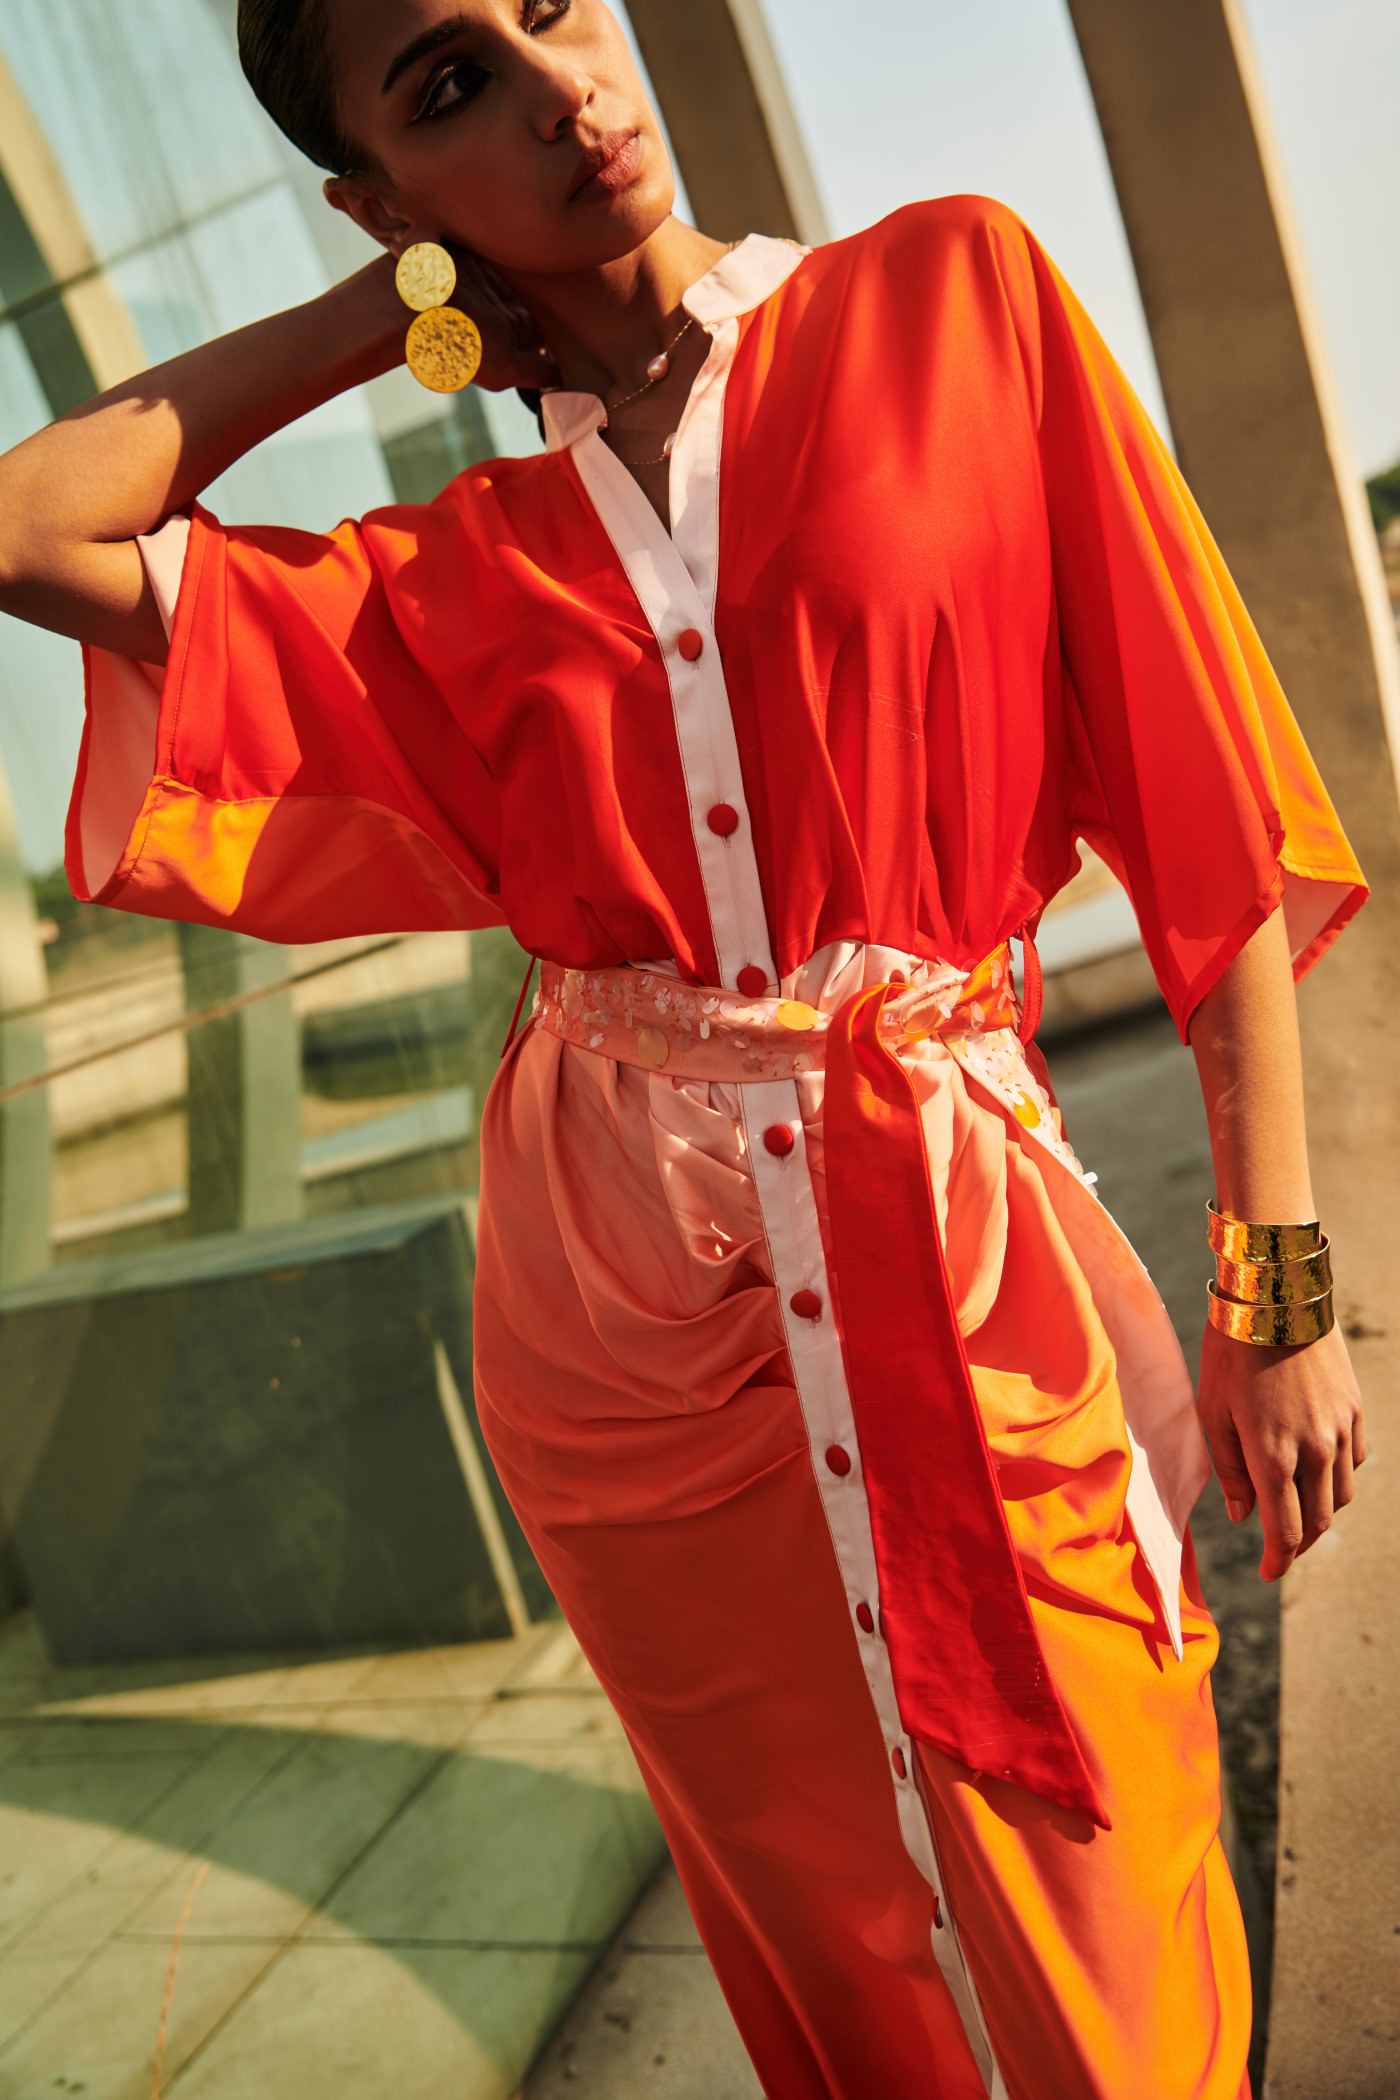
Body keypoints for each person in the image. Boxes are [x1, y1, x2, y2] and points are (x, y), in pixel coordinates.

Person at [0, 3, 1370, 2094]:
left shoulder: (956, 301)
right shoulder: (446, 581)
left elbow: (1212, 826)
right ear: (380, 196)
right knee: (833, 1939)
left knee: (1115, 1887)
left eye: (554, 6)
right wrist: (390, 320)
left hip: (965, 1273)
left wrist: (1277, 1290)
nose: (557, 87)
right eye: (449, 85)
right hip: (635, 1378)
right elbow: (32, 528)